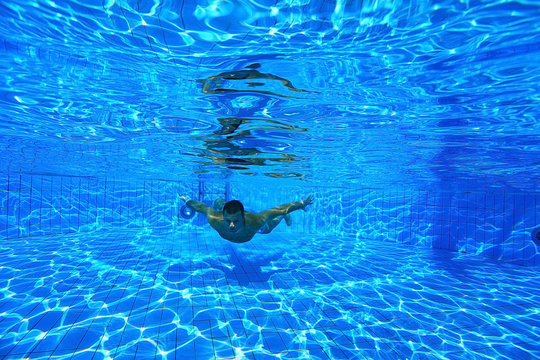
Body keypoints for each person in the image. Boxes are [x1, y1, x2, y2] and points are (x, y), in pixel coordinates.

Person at [178, 194, 314, 243]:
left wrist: (301, 204)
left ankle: (284, 217)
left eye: (236, 221)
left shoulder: (255, 221)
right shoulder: (215, 219)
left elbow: (278, 209)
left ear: (243, 218)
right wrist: (187, 200)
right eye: (228, 221)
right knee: (219, 201)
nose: (231, 225)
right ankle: (221, 203)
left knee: (269, 228)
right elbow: (201, 207)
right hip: (229, 213)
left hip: (256, 228)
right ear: (223, 217)